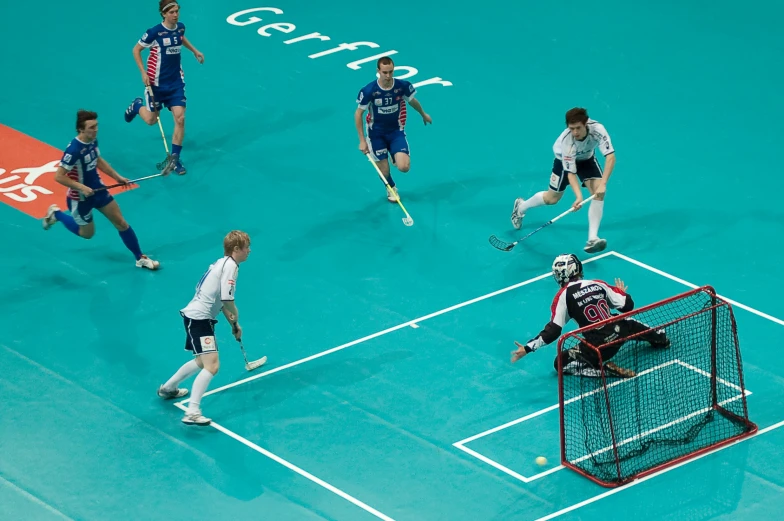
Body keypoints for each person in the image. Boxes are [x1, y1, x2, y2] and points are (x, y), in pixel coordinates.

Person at [510, 254, 669, 378]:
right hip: (620, 333)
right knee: (628, 322)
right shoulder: (597, 283)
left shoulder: (562, 296)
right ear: (577, 269)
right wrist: (621, 292)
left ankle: (604, 371)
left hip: (598, 348)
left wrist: (527, 348)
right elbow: (628, 306)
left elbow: (553, 331)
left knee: (559, 364)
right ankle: (660, 338)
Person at [42, 110, 160, 270]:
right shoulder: (73, 150)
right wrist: (82, 187)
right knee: (87, 234)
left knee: (121, 223)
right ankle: (56, 214)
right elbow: (59, 176)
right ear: (81, 129)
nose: (95, 130)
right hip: (80, 198)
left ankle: (140, 258)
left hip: (99, 191)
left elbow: (98, 160)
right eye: (91, 127)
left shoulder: (92, 140)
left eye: (96, 126)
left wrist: (117, 177)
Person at [157, 230, 252, 426]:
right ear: (236, 249)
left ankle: (168, 389)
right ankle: (192, 411)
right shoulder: (231, 267)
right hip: (199, 319)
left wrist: (234, 324)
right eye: (246, 247)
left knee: (201, 361)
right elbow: (228, 300)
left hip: (198, 317)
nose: (249, 251)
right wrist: (237, 315)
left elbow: (220, 301)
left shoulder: (221, 263)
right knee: (213, 365)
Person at [510, 108, 615, 253]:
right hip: (563, 161)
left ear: (586, 124)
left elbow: (610, 157)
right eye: (571, 128)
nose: (575, 132)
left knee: (599, 193)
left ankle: (592, 239)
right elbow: (571, 173)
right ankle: (521, 207)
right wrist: (578, 197)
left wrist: (603, 184)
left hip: (586, 159)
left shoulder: (598, 130)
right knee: (552, 199)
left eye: (578, 128)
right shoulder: (567, 142)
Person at [124, 0, 204, 175]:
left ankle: (174, 159)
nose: (176, 15)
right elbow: (136, 50)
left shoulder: (181, 27)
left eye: (177, 11)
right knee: (152, 120)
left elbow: (180, 38)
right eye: (172, 12)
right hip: (156, 84)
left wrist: (194, 51)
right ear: (164, 14)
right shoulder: (154, 32)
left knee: (180, 118)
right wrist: (142, 73)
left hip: (175, 82)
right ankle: (137, 106)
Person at [355, 56, 432, 202]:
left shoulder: (401, 86)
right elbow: (358, 114)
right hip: (375, 134)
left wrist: (423, 114)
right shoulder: (369, 90)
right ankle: (391, 187)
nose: (388, 76)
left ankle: (393, 152)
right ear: (378, 71)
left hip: (396, 132)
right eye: (385, 72)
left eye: (391, 72)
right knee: (384, 170)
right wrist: (362, 140)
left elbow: (412, 101)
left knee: (404, 167)